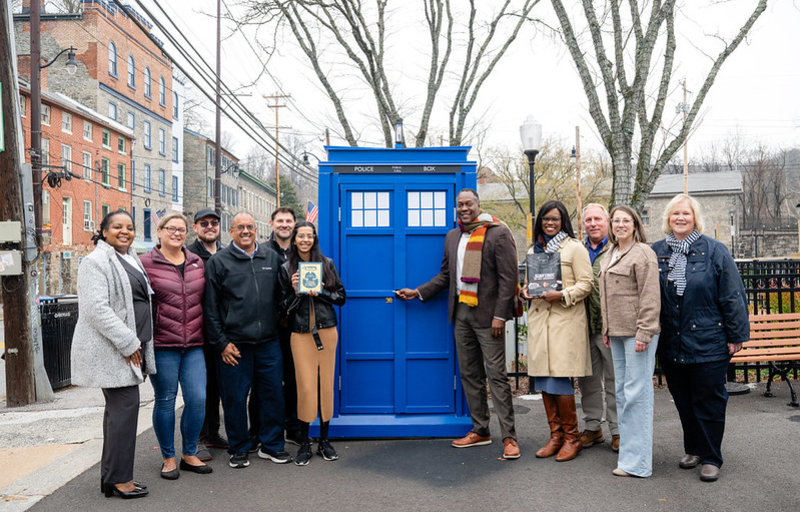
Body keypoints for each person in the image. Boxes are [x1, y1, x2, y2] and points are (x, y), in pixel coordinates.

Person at [396, 188, 521, 459]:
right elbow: (445, 276)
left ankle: (509, 437)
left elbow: (508, 279)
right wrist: (418, 292)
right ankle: (481, 430)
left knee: (497, 376)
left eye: (469, 204)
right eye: (459, 204)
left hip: (489, 316)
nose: (464, 208)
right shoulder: (453, 236)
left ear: (478, 205)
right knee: (469, 374)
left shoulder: (497, 232)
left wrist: (500, 315)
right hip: (461, 314)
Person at [651, 194, 748, 483]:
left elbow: (732, 295)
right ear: (668, 218)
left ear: (695, 219)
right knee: (683, 400)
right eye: (675, 214)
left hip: (709, 341)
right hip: (672, 342)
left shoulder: (715, 251)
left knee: (709, 400)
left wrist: (736, 334)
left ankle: (710, 456)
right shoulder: (657, 252)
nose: (680, 218)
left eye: (686, 214)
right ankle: (693, 449)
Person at [71, 210, 154, 499]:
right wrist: (128, 342)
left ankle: (112, 477)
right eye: (117, 226)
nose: (124, 231)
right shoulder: (95, 261)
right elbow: (96, 309)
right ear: (103, 231)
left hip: (129, 347)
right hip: (114, 349)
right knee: (125, 409)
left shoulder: (129, 258)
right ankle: (120, 480)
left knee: (118, 412)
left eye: (129, 227)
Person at [204, 212, 290, 469]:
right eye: (240, 227)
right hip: (234, 345)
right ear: (230, 231)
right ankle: (239, 447)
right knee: (234, 398)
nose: (245, 231)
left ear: (257, 230)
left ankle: (272, 445)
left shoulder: (271, 258)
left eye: (250, 227)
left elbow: (282, 298)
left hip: (268, 342)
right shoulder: (219, 262)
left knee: (273, 395)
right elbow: (210, 308)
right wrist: (221, 343)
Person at [140, 213, 211, 480]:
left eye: (181, 230)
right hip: (162, 344)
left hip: (194, 343)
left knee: (197, 399)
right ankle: (168, 457)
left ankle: (189, 452)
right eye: (171, 228)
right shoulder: (145, 263)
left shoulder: (196, 262)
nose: (177, 233)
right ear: (159, 231)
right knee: (166, 400)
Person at [522, 200, 593, 462]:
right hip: (541, 321)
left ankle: (572, 438)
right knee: (544, 380)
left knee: (560, 379)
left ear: (563, 221)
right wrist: (524, 291)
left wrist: (562, 294)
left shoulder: (574, 248)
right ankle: (555, 436)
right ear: (540, 221)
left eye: (555, 219)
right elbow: (529, 283)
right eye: (545, 219)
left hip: (565, 321)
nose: (550, 223)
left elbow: (587, 284)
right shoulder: (534, 249)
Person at [598, 205, 661, 477]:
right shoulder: (610, 253)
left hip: (638, 335)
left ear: (635, 225)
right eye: (616, 221)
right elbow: (606, 297)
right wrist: (606, 328)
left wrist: (645, 332)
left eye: (626, 220)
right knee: (623, 394)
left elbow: (650, 296)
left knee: (637, 395)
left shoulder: (643, 253)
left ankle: (639, 465)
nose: (620, 225)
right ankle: (628, 459)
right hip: (617, 333)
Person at [278, 221, 346, 465]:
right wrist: (296, 293)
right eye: (301, 236)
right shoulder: (286, 267)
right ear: (294, 239)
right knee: (305, 387)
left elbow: (341, 297)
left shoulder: (326, 264)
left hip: (327, 331)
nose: (305, 240)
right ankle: (305, 441)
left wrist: (321, 291)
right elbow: (281, 307)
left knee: (326, 384)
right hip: (300, 333)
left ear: (314, 239)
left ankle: (324, 441)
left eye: (310, 236)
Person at [248, 207, 302, 449]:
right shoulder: (261, 251)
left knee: (293, 380)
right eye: (280, 220)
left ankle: (292, 428)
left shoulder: (302, 251)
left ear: (294, 224)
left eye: (288, 221)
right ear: (271, 224)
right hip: (268, 327)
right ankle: (256, 432)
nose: (284, 224)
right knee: (262, 383)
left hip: (295, 326)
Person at [186, 208, 228, 461]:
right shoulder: (189, 255)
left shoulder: (225, 254)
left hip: (223, 329)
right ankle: (198, 438)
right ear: (196, 227)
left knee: (216, 386)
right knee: (197, 390)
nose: (210, 226)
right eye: (204, 223)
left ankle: (213, 432)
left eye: (214, 222)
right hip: (197, 330)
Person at [578, 203, 619, 451]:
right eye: (588, 220)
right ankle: (593, 427)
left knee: (615, 381)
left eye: (597, 219)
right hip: (583, 327)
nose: (592, 223)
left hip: (611, 328)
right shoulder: (578, 250)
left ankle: (617, 430)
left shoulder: (618, 248)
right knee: (588, 382)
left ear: (608, 221)